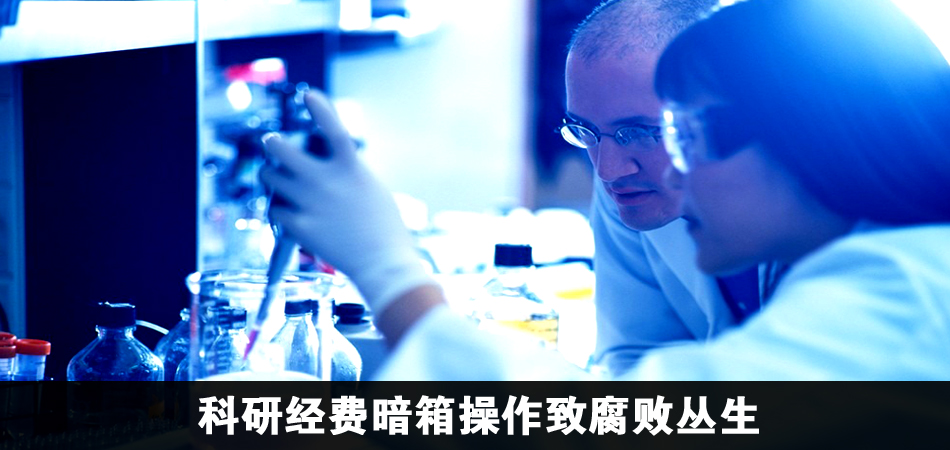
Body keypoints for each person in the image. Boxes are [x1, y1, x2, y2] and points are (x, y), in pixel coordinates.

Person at [261, 0, 950, 380]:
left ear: (812, 136)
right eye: (589, 133)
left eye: (690, 135)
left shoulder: (902, 297)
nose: (662, 171)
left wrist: (389, 269)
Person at [561, 0, 772, 376]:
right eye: (585, 131)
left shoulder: (830, 217)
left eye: (640, 131)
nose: (608, 170)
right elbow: (633, 352)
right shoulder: (627, 184)